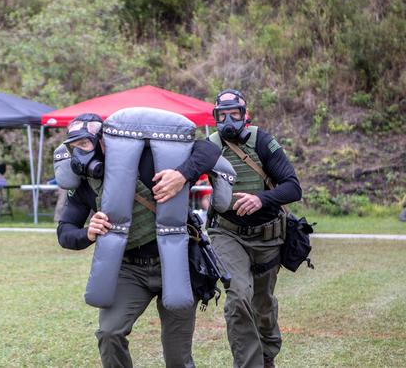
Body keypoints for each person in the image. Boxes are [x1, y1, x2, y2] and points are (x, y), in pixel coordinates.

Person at [56, 112, 221, 368]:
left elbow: (209, 150)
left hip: (175, 263)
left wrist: (181, 175)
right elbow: (65, 231)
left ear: (103, 142)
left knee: (177, 357)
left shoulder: (147, 157)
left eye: (85, 143)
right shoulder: (86, 184)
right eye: (74, 146)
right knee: (109, 333)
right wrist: (88, 232)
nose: (80, 153)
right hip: (129, 268)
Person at [156, 90, 302, 368]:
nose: (228, 120)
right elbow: (186, 172)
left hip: (268, 236)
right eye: (221, 115)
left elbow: (293, 187)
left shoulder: (262, 142)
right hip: (227, 233)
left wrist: (261, 199)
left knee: (263, 305)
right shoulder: (209, 145)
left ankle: (267, 354)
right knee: (237, 298)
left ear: (245, 115)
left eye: (234, 114)